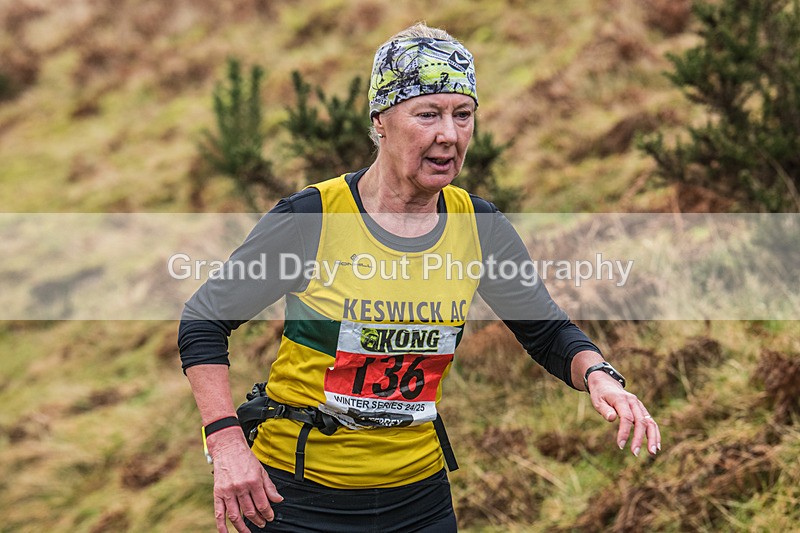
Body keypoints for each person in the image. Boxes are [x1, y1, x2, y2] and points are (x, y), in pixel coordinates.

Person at [178, 22, 661, 533]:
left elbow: (545, 330)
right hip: (296, 498)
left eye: (463, 115)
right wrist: (227, 442)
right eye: (427, 114)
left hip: (418, 501)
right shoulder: (313, 218)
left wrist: (599, 376)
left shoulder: (479, 226)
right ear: (381, 121)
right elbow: (203, 321)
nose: (449, 135)